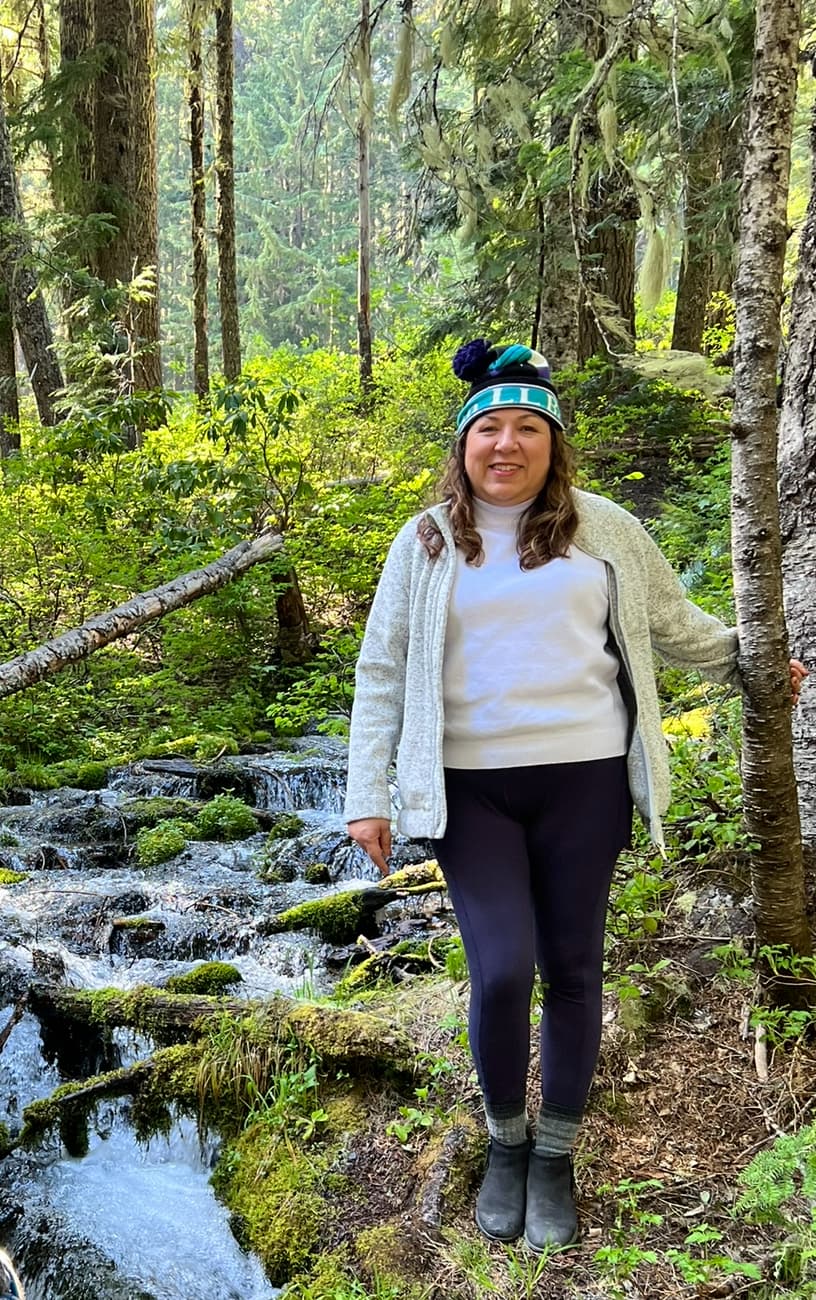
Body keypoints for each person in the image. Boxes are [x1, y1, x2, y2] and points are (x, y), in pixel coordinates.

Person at [344, 339, 808, 1252]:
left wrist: (752, 663)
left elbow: (674, 625)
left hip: (586, 782)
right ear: (463, 443)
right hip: (467, 791)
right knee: (504, 966)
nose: (506, 444)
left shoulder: (606, 531)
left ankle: (553, 1154)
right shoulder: (428, 538)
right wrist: (369, 794)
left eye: (527, 428)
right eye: (489, 428)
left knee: (575, 968)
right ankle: (504, 1141)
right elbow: (382, 670)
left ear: (554, 444)